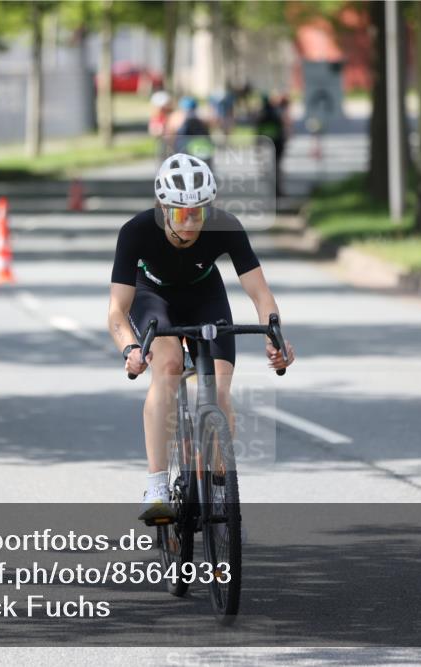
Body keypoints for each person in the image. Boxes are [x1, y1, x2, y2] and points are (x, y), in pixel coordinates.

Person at [107, 153, 295, 520]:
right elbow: (117, 310)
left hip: (203, 294)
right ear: (163, 208)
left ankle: (220, 489)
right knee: (170, 365)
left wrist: (274, 335)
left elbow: (260, 292)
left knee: (219, 387)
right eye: (180, 213)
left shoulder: (224, 225)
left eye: (199, 212)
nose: (191, 222)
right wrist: (129, 347)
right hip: (153, 297)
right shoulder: (136, 231)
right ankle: (158, 483)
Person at [255, 93, 287, 197]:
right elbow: (281, 129)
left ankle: (272, 190)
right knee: (276, 169)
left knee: (268, 169)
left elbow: (258, 131)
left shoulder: (261, 115)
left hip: (266, 145)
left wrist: (257, 147)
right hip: (276, 144)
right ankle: (277, 190)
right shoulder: (275, 113)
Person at [168, 96, 215, 167]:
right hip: (200, 146)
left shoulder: (177, 116)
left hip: (185, 147)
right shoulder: (202, 116)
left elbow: (171, 133)